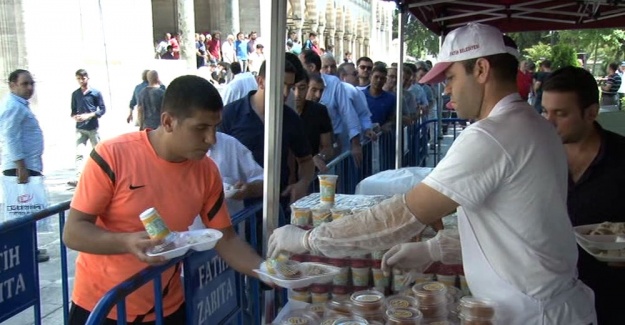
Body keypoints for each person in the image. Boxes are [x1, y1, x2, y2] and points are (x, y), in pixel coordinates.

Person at [268, 23, 596, 325]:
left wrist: (310, 238)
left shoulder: (491, 135)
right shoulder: (535, 126)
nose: (447, 92)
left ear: (481, 70)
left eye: (451, 78)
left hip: (532, 313)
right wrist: (434, 250)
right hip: (546, 306)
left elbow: (403, 214)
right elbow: (515, 226)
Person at [62, 75, 267, 324]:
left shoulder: (207, 171)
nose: (211, 139)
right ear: (168, 122)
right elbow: (73, 232)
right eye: (200, 128)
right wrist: (126, 242)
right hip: (103, 306)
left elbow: (226, 240)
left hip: (167, 306)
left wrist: (269, 272)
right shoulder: (112, 155)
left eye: (215, 127)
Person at [542, 66, 625, 325]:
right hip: (551, 298)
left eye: (561, 114)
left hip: (612, 297)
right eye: (545, 111)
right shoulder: (538, 156)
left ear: (591, 113)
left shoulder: (621, 157)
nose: (548, 122)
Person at [220, 59, 314, 205]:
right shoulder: (230, 114)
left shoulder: (290, 118)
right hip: (241, 208)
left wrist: (302, 184)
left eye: (289, 86)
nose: (285, 93)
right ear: (261, 82)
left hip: (278, 204)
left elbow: (306, 160)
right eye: (280, 84)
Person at [0, 69, 49, 263]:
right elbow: (10, 137)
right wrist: (21, 165)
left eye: (31, 84)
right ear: (12, 85)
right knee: (21, 211)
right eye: (24, 84)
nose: (30, 88)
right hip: (20, 168)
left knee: (28, 210)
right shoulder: (13, 106)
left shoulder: (20, 105)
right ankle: (24, 251)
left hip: (27, 165)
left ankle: (30, 248)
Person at [69, 69, 106, 187]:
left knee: (98, 152)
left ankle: (104, 175)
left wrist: (89, 115)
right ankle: (78, 178)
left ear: (88, 78)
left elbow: (102, 109)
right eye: (79, 79)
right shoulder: (75, 94)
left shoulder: (95, 93)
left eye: (83, 78)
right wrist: (76, 117)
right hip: (80, 128)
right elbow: (73, 111)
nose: (81, 81)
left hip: (92, 128)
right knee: (79, 153)